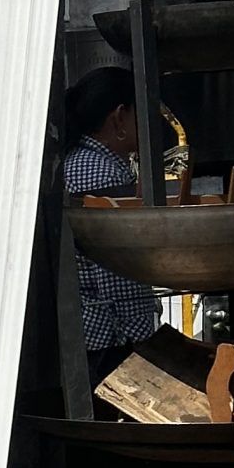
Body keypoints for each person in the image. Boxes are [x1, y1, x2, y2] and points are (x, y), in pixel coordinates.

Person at [62, 66, 160, 383]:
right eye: (140, 114)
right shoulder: (101, 172)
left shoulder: (84, 161)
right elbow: (117, 270)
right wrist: (142, 340)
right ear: (119, 117)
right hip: (108, 341)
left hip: (95, 334)